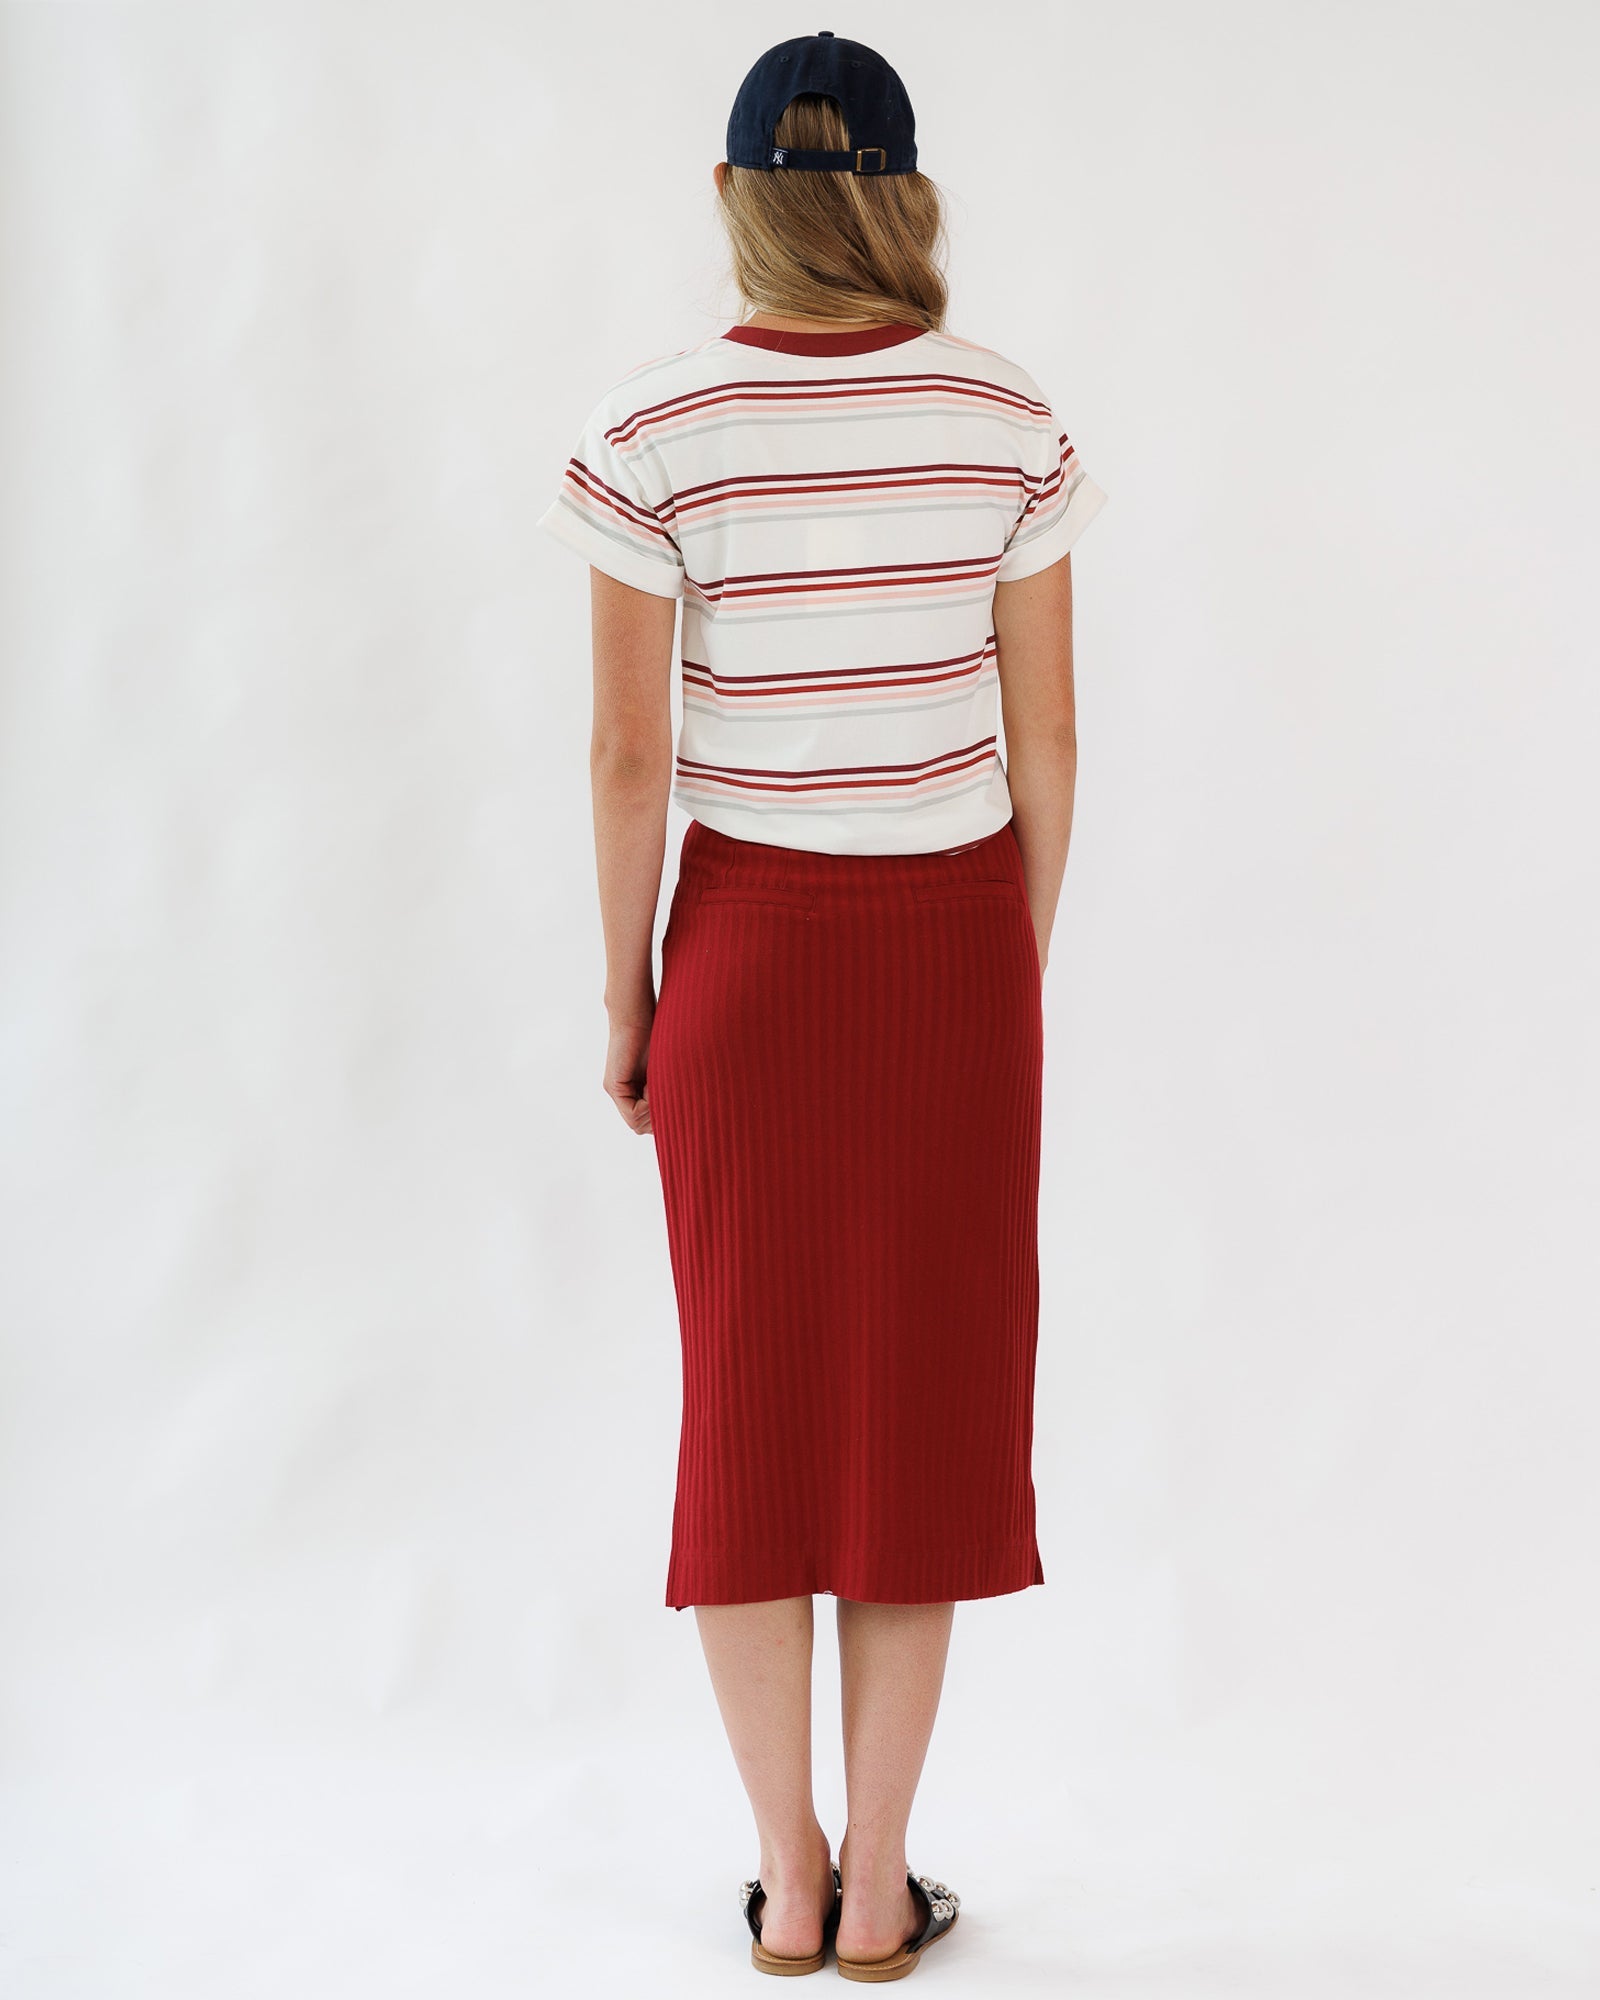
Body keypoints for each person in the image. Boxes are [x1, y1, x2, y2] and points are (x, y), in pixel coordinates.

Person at [539, 31, 1108, 1983]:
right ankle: (881, 1884)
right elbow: (1043, 735)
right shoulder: (1001, 413)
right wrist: (1000, 977)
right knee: (911, 1428)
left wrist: (627, 997)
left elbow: (629, 760)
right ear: (899, 190)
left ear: (734, 199)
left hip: (748, 965)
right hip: (946, 955)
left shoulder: (649, 425)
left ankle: (783, 1875)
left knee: (756, 1422)